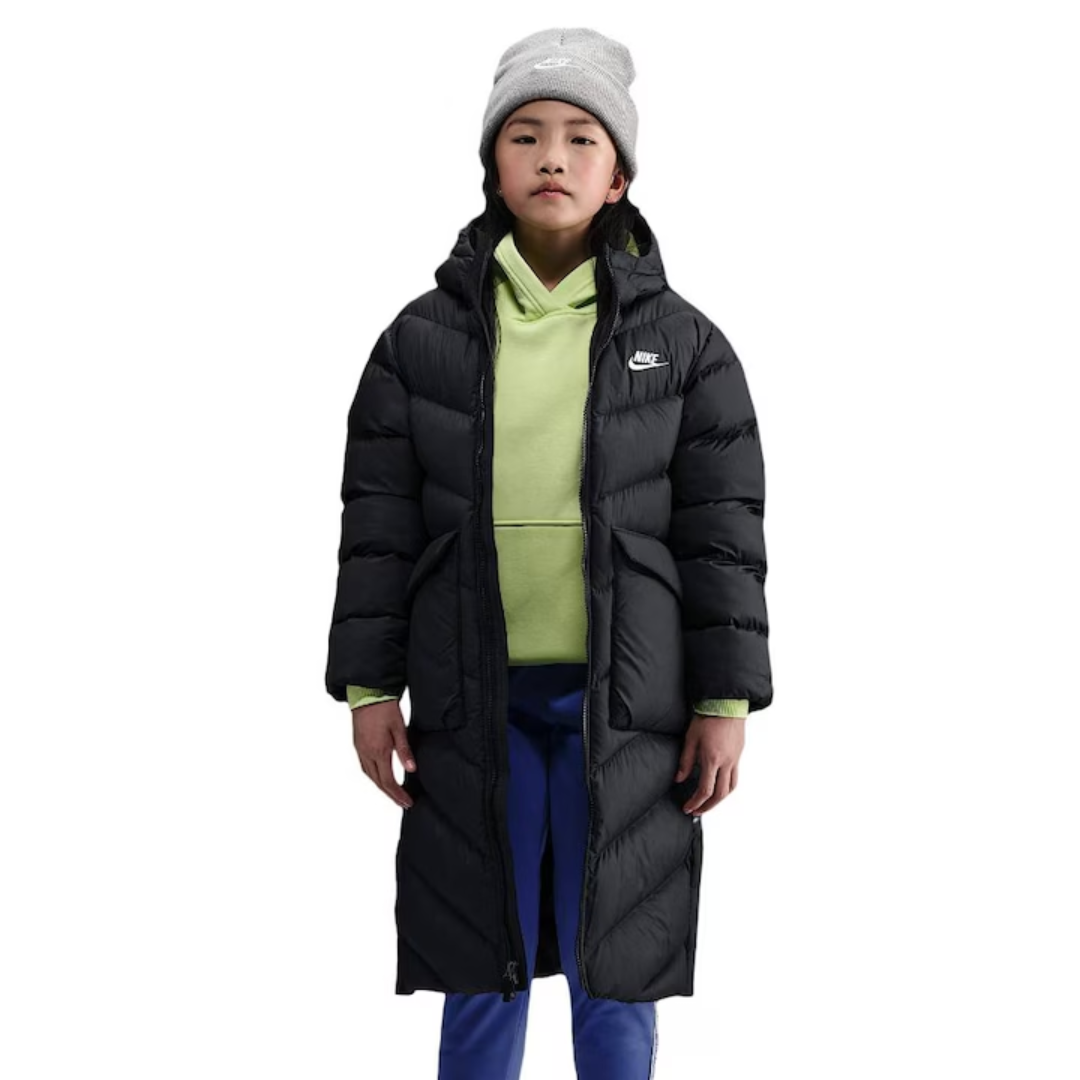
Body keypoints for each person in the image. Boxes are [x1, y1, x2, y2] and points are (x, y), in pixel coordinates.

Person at [325, 26, 773, 1080]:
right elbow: (378, 526)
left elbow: (723, 536)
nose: (552, 158)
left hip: (629, 708)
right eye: (525, 135)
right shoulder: (418, 343)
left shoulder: (687, 348)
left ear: (620, 176)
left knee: (615, 952)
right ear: (493, 165)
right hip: (470, 697)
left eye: (581, 137)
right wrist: (368, 689)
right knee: (483, 951)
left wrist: (725, 701)